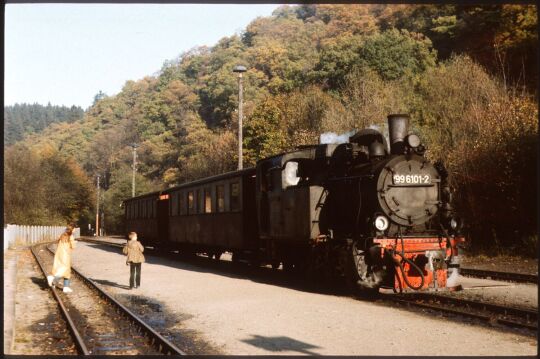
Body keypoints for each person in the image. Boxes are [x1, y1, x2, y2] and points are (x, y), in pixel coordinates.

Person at [47, 226, 76, 293]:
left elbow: (58, 242)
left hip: (59, 254)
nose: (74, 231)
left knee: (62, 270)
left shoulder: (62, 235)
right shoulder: (71, 236)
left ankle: (66, 287)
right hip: (65, 255)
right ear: (72, 230)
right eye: (74, 229)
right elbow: (73, 246)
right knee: (65, 270)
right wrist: (74, 242)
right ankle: (52, 278)